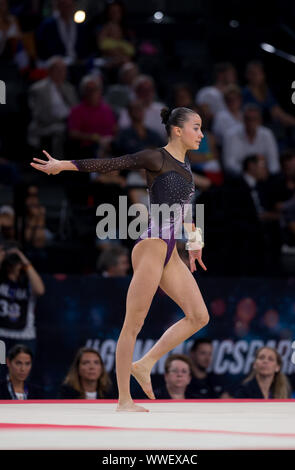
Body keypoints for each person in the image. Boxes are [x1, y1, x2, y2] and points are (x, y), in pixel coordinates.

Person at [30, 106, 210, 412]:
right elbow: (110, 163)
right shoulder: (157, 157)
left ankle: (145, 363)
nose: (202, 134)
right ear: (177, 130)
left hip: (169, 248)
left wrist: (194, 242)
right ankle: (124, 399)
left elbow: (185, 209)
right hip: (152, 244)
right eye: (196, 127)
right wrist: (64, 165)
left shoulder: (186, 164)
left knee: (199, 317)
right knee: (133, 323)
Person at [0, 247, 45, 364]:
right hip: (1, 335)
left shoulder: (28, 280)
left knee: (21, 374)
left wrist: (24, 261)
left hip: (24, 335)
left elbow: (40, 290)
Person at [222, 104, 280, 176]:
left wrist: (269, 173)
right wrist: (248, 174)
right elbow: (229, 164)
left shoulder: (267, 134)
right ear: (243, 119)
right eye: (248, 119)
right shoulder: (231, 135)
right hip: (240, 177)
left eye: (254, 119)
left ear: (260, 120)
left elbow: (273, 162)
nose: (251, 122)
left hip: (264, 176)